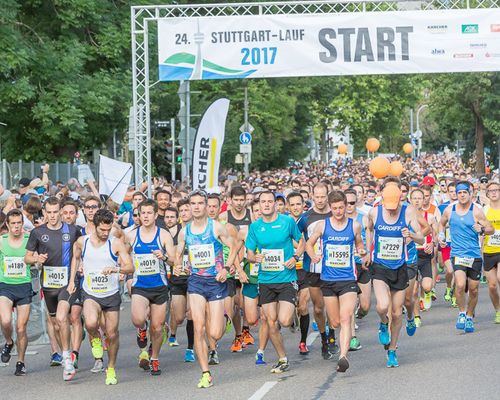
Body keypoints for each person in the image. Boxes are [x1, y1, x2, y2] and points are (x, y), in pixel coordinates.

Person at [175, 189, 237, 388]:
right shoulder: (185, 231)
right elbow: (179, 253)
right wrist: (178, 265)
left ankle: (225, 319)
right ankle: (205, 372)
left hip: (215, 282)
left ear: (205, 205)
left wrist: (226, 268)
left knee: (216, 332)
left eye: (200, 203)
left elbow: (234, 246)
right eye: (193, 204)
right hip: (195, 283)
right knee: (199, 328)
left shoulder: (216, 227)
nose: (196, 207)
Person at [69, 209, 133, 385]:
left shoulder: (116, 243)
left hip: (111, 294)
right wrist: (71, 281)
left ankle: (111, 368)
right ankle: (96, 339)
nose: (105, 233)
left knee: (112, 334)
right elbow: (75, 259)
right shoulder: (83, 242)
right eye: (102, 230)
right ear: (94, 226)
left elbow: (130, 267)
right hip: (91, 292)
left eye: (108, 229)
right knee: (90, 323)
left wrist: (116, 269)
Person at [306, 191, 368, 372]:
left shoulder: (354, 225)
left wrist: (362, 250)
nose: (339, 211)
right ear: (330, 208)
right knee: (334, 322)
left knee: (345, 317)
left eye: (341, 207)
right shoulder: (323, 226)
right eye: (335, 208)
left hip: (348, 278)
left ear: (345, 206)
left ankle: (343, 356)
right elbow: (309, 243)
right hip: (328, 279)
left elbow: (359, 243)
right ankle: (340, 342)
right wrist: (313, 256)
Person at [365, 182, 424, 367]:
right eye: (388, 207)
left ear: (400, 200)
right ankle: (383, 324)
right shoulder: (374, 212)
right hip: (380, 267)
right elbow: (369, 230)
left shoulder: (408, 212)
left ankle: (392, 350)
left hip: (400, 268)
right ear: (382, 199)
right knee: (383, 307)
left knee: (397, 313)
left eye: (394, 207)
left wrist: (411, 235)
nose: (391, 211)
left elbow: (422, 237)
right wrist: (367, 251)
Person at [246, 191, 304, 374]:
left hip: (286, 278)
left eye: (270, 201)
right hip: (265, 280)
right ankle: (282, 358)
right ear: (259, 205)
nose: (266, 205)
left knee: (284, 321)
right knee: (271, 323)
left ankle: (292, 314)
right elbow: (248, 255)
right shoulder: (255, 227)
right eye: (263, 202)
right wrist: (255, 257)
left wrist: (295, 257)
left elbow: (301, 242)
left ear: (276, 204)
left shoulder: (286, 222)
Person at [24, 197, 81, 381]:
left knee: (64, 318)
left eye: (56, 212)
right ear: (44, 213)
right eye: (49, 212)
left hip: (67, 283)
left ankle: (67, 358)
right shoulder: (38, 232)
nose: (53, 215)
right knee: (57, 323)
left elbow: (77, 256)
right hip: (48, 285)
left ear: (61, 212)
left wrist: (73, 278)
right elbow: (27, 258)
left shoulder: (72, 231)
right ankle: (65, 353)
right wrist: (36, 259)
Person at [127, 199, 175, 375]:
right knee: (138, 319)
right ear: (139, 215)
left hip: (160, 286)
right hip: (140, 285)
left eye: (149, 213)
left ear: (155, 215)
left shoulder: (164, 235)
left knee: (157, 326)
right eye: (143, 213)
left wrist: (163, 256)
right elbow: (122, 256)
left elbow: (173, 260)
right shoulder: (132, 236)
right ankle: (141, 329)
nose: (146, 216)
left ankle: (154, 358)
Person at [439, 181, 494, 333]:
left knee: (474, 289)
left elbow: (491, 229)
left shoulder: (476, 211)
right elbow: (441, 223)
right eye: (459, 193)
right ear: (456, 195)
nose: (462, 195)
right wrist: (440, 234)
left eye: (465, 193)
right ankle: (462, 313)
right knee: (461, 284)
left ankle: (470, 316)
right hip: (457, 253)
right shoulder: (450, 211)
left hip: (474, 254)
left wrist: (482, 229)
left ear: (470, 194)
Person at [297, 182, 336, 359]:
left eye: (323, 196)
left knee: (333, 306)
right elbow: (294, 236)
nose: (320, 200)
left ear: (328, 195)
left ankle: (333, 335)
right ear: (312, 196)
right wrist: (303, 249)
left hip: (334, 267)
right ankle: (323, 339)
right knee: (319, 309)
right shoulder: (305, 218)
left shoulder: (335, 213)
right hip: (313, 268)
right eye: (317, 197)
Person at [0, 209, 32, 375]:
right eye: (13, 223)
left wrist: (38, 261)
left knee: (21, 328)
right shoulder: (1, 241)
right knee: (5, 321)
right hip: (5, 285)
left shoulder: (29, 239)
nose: (16, 226)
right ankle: (8, 341)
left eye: (19, 223)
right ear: (7, 224)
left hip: (24, 285)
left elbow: (35, 258)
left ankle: (21, 362)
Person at [168, 199, 196, 362]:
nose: (185, 212)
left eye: (187, 209)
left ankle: (190, 348)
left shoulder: (198, 230)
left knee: (191, 314)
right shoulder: (173, 232)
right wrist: (174, 264)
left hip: (195, 278)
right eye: (182, 210)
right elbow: (171, 257)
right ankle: (167, 329)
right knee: (178, 318)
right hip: (178, 279)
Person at [286, 191, 311, 355]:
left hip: (305, 269)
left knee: (303, 306)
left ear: (304, 205)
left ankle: (303, 341)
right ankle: (292, 316)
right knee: (288, 313)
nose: (296, 207)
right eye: (292, 204)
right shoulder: (284, 222)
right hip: (288, 271)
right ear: (288, 206)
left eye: (298, 204)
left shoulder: (309, 221)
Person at [483, 181, 500, 323]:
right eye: (491, 191)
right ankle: (498, 311)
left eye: (496, 190)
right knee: (492, 285)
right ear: (487, 194)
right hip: (488, 251)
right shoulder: (484, 210)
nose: (494, 192)